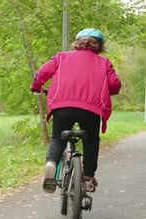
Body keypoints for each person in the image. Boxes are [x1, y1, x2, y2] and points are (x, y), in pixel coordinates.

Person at [30, 28, 122, 193]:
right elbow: (114, 84)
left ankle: (51, 162)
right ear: (100, 46)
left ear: (77, 43)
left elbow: (43, 72)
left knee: (58, 138)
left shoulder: (61, 57)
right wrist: (110, 91)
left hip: (62, 106)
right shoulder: (104, 63)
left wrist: (36, 86)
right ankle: (87, 178)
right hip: (91, 108)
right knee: (91, 141)